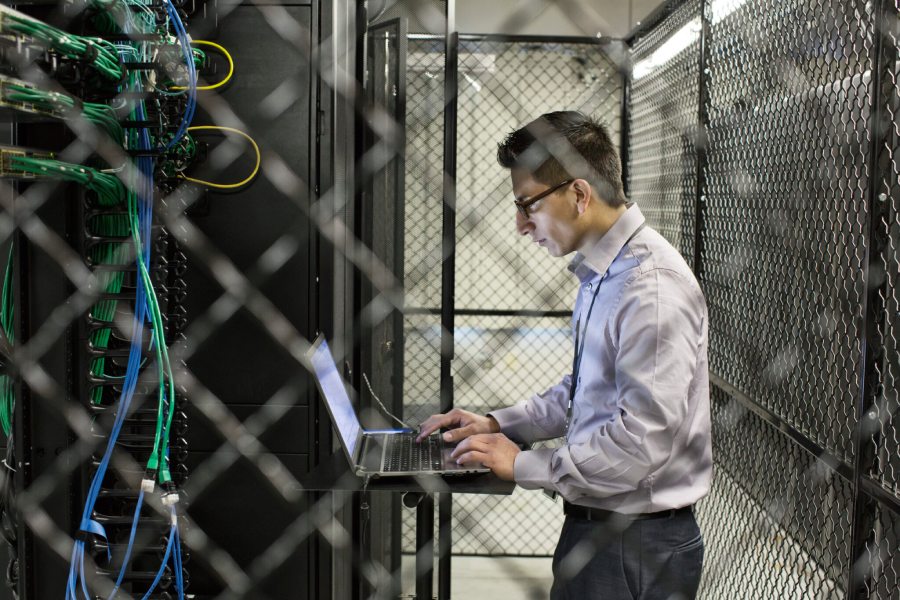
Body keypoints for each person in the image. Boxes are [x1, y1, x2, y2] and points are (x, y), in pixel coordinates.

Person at [416, 111, 712, 599]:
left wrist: (527, 464)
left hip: (636, 543)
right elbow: (583, 392)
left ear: (578, 194)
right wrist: (498, 424)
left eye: (527, 205)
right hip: (603, 528)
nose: (519, 225)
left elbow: (642, 445)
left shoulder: (651, 290)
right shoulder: (606, 274)